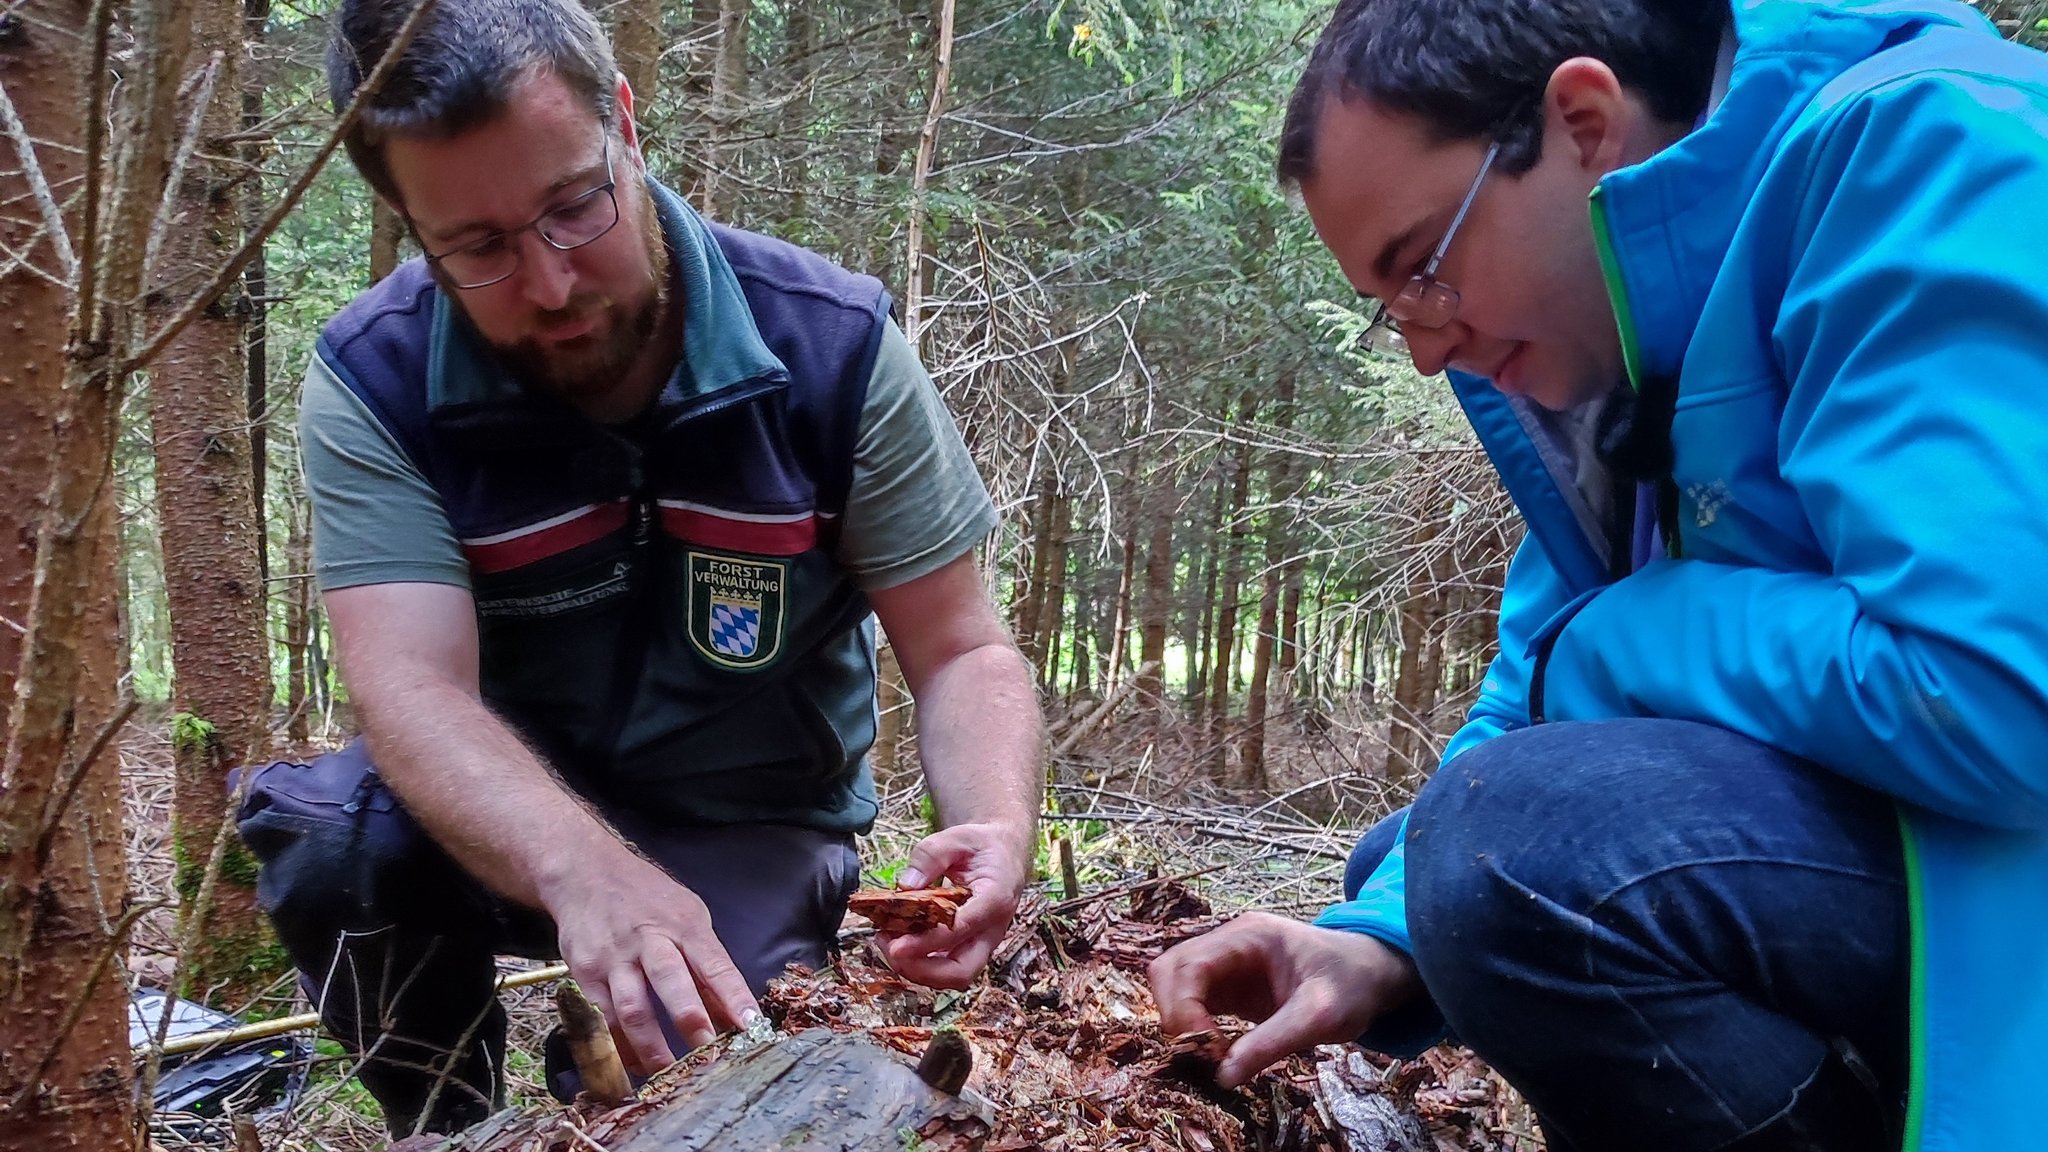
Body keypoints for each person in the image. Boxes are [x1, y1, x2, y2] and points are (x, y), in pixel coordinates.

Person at [1149, 0, 2048, 1148]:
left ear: (1583, 122)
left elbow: (1993, 693)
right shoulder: (1625, 326)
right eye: (1389, 311)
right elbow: (1537, 677)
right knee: (1430, 858)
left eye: (1422, 267)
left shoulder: (1927, 149)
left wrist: (1626, 634)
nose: (1425, 347)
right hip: (1926, 874)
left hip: (2004, 886)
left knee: (1521, 848)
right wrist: (1372, 940)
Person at [235, 0, 1044, 1135]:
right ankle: (450, 1122)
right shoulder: (378, 379)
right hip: (499, 820)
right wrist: (583, 869)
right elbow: (408, 689)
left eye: (574, 206)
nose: (553, 283)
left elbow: (959, 646)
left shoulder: (828, 345)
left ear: (623, 120)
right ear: (405, 220)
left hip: (746, 818)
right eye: (479, 248)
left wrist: (995, 828)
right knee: (334, 842)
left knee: (704, 1086)